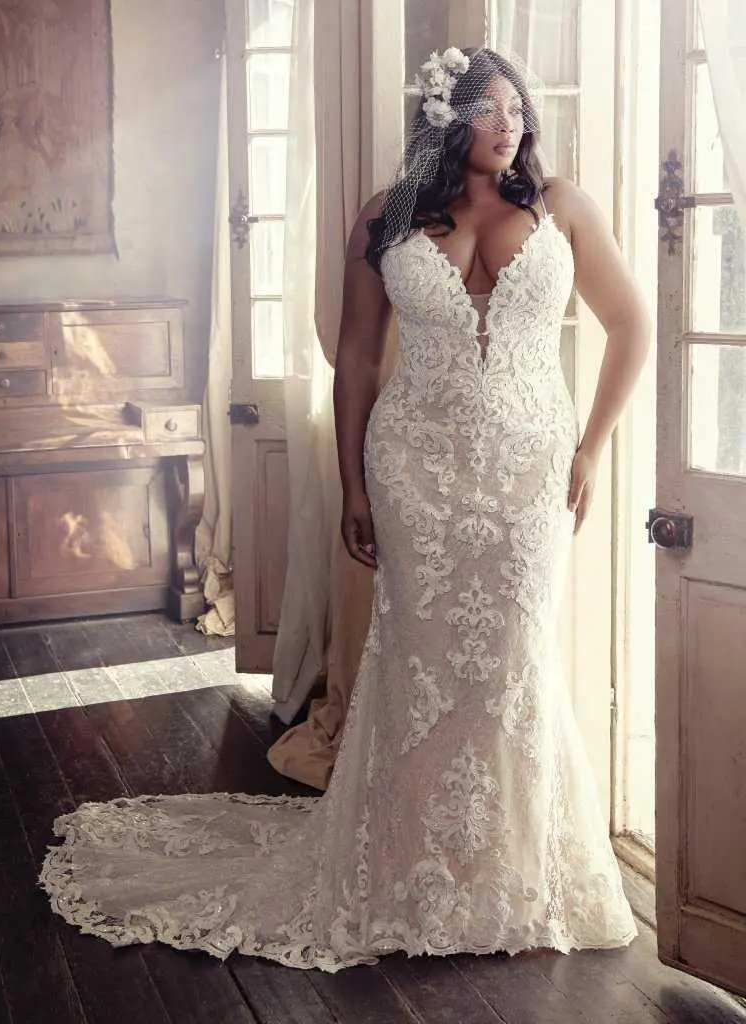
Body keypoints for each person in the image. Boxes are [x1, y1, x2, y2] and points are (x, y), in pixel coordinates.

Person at [40, 46, 649, 970]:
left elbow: (632, 325)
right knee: (418, 655)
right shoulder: (390, 215)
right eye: (489, 110)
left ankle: (512, 870)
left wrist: (591, 445)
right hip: (416, 468)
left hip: (528, 468)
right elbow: (358, 359)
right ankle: (405, 866)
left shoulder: (562, 206)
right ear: (447, 119)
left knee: (512, 658)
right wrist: (358, 483)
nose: (510, 124)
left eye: (516, 108)